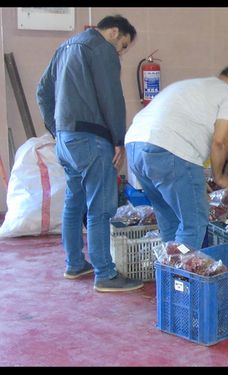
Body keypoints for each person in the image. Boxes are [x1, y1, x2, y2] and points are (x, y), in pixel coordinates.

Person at [36, 15, 143, 292]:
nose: (120, 52)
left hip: (66, 141)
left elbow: (42, 91)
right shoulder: (101, 49)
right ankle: (105, 274)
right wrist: (118, 139)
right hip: (93, 140)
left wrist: (57, 129)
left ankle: (74, 264)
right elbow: (111, 97)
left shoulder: (64, 48)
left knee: (74, 202)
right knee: (100, 208)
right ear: (114, 32)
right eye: (123, 45)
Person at [125, 65, 228, 249]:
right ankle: (181, 276)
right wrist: (219, 177)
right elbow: (221, 140)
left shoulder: (191, 86)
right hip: (170, 148)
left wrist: (195, 177)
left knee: (170, 220)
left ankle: (168, 273)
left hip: (135, 146)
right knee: (193, 224)